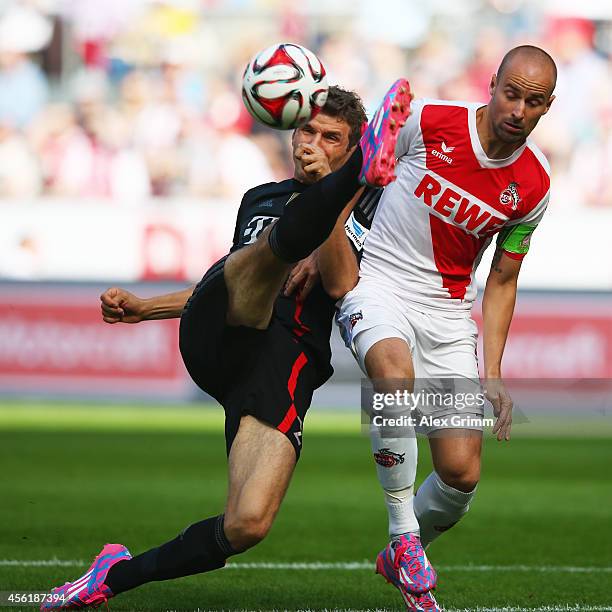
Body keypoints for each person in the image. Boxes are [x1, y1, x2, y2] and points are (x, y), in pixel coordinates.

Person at [41, 81, 412, 610]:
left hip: (280, 363)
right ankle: (296, 228)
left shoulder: (371, 212)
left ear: (351, 150)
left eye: (331, 138)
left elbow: (338, 285)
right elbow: (231, 283)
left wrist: (327, 199)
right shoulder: (258, 199)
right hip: (223, 332)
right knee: (262, 260)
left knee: (247, 523)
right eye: (307, 130)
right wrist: (148, 309)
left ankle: (111, 577)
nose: (312, 143)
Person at [337, 45, 556, 611]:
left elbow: (504, 279)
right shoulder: (429, 121)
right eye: (512, 92)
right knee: (392, 375)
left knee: (460, 477)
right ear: (492, 84)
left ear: (546, 108)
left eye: (533, 102)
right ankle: (404, 537)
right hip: (379, 283)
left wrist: (495, 372)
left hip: (448, 314)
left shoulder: (533, 186)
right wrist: (322, 250)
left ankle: (404, 553)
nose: (518, 109)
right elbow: (355, 181)